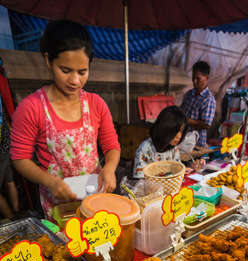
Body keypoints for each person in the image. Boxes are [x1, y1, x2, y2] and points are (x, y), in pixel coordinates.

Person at [10, 20, 120, 218]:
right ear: (48, 60)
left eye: (82, 72)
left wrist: (110, 168)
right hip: (58, 207)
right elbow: (20, 158)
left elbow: (111, 145)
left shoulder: (96, 104)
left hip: (94, 198)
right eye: (66, 70)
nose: (75, 81)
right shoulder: (31, 107)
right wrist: (50, 182)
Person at [133, 105, 205, 179]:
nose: (179, 136)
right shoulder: (145, 149)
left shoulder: (173, 148)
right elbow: (140, 181)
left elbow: (176, 170)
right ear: (165, 128)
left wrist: (190, 168)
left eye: (181, 132)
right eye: (176, 131)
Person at [180, 61, 216, 148]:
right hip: (183, 138)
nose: (194, 81)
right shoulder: (189, 94)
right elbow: (181, 110)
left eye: (198, 78)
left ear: (206, 78)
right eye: (193, 78)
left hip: (197, 144)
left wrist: (187, 120)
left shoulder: (208, 99)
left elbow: (206, 124)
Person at [0, 70, 19, 218]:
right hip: (7, 140)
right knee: (9, 180)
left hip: (2, 143)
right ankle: (18, 214)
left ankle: (13, 221)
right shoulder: (2, 79)